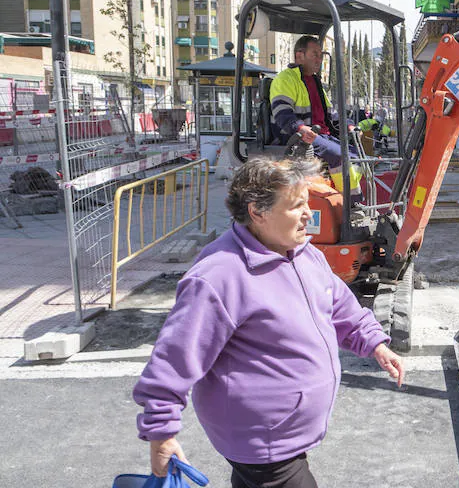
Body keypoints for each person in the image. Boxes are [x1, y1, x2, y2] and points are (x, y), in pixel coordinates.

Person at [133, 158, 404, 488]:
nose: (308, 214)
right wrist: (161, 435)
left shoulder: (305, 254)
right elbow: (174, 358)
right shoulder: (220, 275)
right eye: (296, 206)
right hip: (263, 443)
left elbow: (339, 306)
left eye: (307, 203)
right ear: (257, 212)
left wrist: (374, 342)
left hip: (283, 434)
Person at [270, 36, 362, 201]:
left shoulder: (315, 82)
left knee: (356, 154)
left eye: (321, 55)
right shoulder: (285, 79)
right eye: (315, 54)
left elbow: (331, 114)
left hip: (319, 135)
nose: (319, 59)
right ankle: (351, 204)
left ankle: (346, 198)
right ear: (300, 55)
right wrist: (300, 128)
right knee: (340, 155)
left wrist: (349, 125)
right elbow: (282, 112)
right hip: (298, 138)